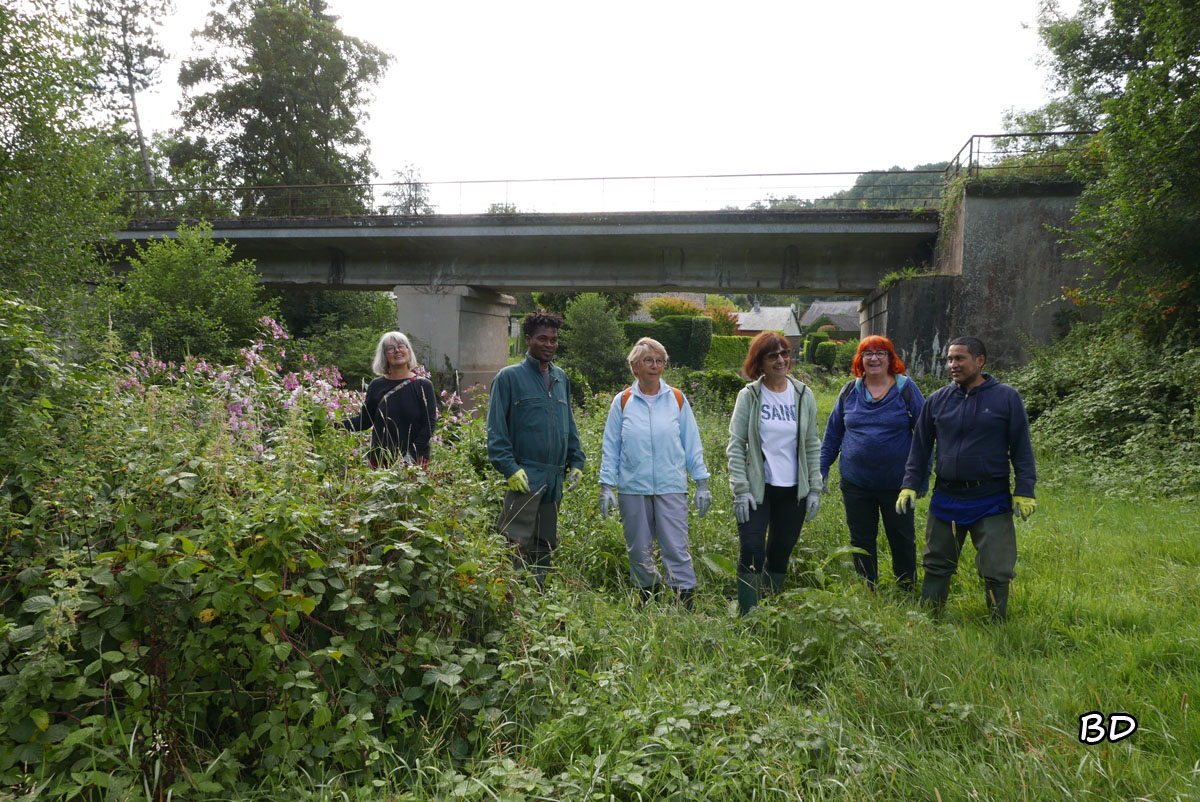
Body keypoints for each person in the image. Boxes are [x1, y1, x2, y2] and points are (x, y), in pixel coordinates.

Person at [897, 336, 1037, 621]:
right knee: (936, 563)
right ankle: (929, 619)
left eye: (959, 358)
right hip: (946, 497)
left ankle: (997, 623)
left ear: (980, 361)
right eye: (949, 359)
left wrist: (1025, 489)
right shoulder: (937, 400)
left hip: (991, 498)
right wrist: (909, 484)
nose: (952, 365)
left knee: (997, 568)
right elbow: (920, 447)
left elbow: (1022, 448)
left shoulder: (1006, 398)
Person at [598, 337, 711, 609]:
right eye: (648, 361)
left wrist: (702, 482)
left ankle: (684, 602)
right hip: (632, 488)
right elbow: (611, 446)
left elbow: (691, 441)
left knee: (675, 547)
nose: (655, 366)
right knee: (639, 548)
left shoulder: (676, 398)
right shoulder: (622, 401)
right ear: (634, 367)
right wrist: (606, 486)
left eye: (660, 361)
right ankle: (647, 598)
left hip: (671, 486)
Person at [487, 310, 586, 590]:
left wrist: (576, 460)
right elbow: (495, 432)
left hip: (554, 479)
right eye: (542, 339)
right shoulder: (508, 378)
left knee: (545, 544)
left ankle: (538, 596)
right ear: (527, 339)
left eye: (554, 340)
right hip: (526, 477)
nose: (549, 345)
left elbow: (569, 424)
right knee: (515, 542)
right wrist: (509, 468)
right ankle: (511, 600)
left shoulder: (561, 378)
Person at [726, 332, 822, 615]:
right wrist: (740, 490)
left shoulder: (804, 395)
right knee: (753, 548)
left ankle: (769, 609)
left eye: (785, 353)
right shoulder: (750, 395)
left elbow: (811, 444)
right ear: (760, 362)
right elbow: (736, 444)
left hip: (793, 490)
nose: (781, 360)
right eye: (773, 356)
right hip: (759, 487)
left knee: (780, 552)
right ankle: (748, 614)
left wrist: (814, 487)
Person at [820, 336, 925, 591]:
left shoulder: (906, 389)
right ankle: (869, 588)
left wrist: (919, 478)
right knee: (861, 539)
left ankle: (906, 588)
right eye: (867, 353)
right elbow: (833, 434)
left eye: (880, 353)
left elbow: (925, 436)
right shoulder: (849, 391)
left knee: (901, 538)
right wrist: (821, 470)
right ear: (860, 359)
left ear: (890, 358)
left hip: (897, 484)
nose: (874, 358)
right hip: (856, 483)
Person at [340, 331, 437, 468]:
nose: (397, 351)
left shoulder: (423, 385)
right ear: (384, 356)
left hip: (414, 461)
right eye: (391, 348)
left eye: (401, 346)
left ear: (408, 351)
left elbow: (429, 425)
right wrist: (332, 423)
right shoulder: (376, 386)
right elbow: (364, 421)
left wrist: (410, 456)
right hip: (380, 460)